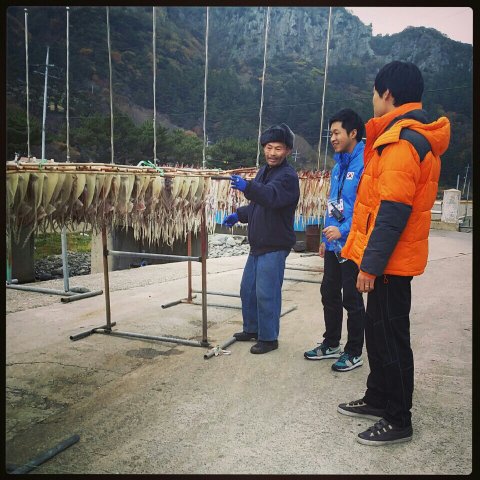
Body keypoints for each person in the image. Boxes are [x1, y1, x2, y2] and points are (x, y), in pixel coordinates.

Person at [337, 61, 450, 445]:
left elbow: (392, 212)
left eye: (374, 93)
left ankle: (399, 418)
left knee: (391, 337)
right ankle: (378, 397)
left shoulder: (402, 141)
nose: (373, 99)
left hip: (390, 262)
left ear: (387, 94)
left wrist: (370, 266)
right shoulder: (402, 136)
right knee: (378, 331)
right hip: (390, 258)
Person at [222, 123, 300, 354]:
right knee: (248, 290)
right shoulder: (264, 171)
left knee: (267, 293)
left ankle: (269, 338)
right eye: (268, 147)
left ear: (287, 151)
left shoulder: (287, 176)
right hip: (258, 244)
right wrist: (240, 215)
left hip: (274, 244)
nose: (272, 153)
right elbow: (259, 204)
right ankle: (252, 329)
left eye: (278, 148)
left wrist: (248, 187)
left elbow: (271, 197)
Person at [304, 108, 366, 372]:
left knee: (351, 298)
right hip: (334, 243)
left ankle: (354, 352)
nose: (332, 138)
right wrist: (326, 237)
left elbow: (365, 207)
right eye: (331, 134)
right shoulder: (339, 164)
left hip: (352, 243)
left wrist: (344, 230)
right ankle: (331, 344)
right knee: (328, 292)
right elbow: (334, 204)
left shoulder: (365, 163)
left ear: (353, 133)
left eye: (337, 133)